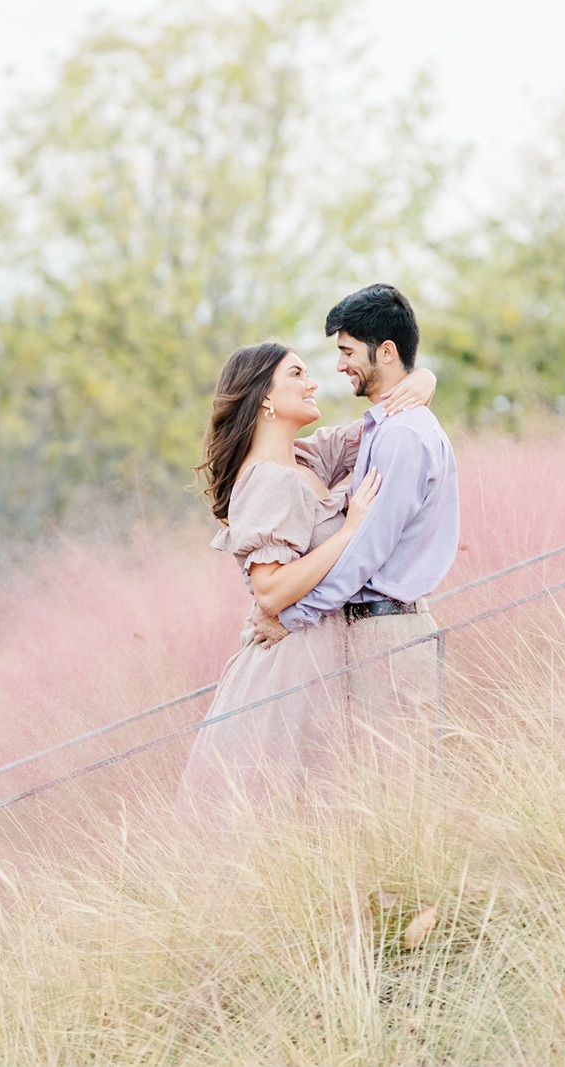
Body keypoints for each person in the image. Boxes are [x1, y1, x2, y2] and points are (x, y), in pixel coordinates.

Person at [177, 340, 435, 809]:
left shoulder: (306, 459)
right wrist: (350, 531)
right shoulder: (265, 480)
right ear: (265, 399)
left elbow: (386, 422)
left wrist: (424, 379)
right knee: (295, 806)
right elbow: (271, 591)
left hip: (326, 652)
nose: (312, 381)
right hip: (291, 666)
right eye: (296, 374)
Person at [253, 284, 460, 762]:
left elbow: (367, 550)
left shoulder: (403, 438)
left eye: (347, 351)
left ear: (385, 352)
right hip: (373, 633)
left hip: (388, 634)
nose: (340, 365)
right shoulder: (385, 427)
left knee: (396, 790)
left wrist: (293, 615)